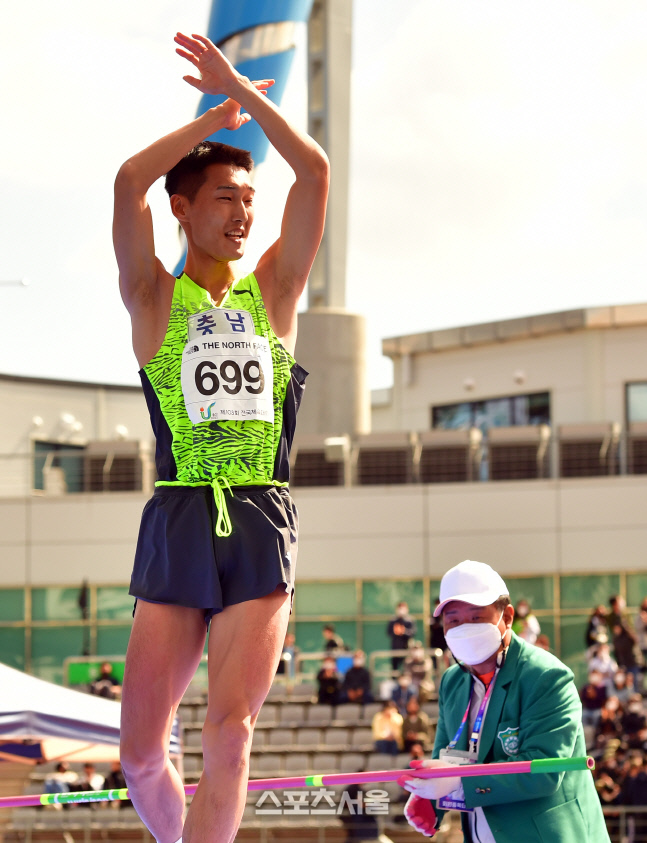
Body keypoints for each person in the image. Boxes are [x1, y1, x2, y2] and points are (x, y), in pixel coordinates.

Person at [113, 31, 329, 843]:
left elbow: (313, 173)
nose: (243, 214)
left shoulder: (272, 291)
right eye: (225, 199)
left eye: (249, 201)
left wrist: (248, 97)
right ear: (183, 208)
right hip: (177, 517)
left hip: (259, 516)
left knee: (227, 733)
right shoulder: (152, 300)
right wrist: (214, 117)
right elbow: (129, 180)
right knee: (139, 754)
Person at [399, 559, 609, 841]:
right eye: (453, 620)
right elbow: (446, 758)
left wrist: (460, 781)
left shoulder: (546, 676)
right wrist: (430, 799)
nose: (464, 628)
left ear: (507, 617)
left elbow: (543, 771)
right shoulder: (452, 681)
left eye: (476, 617)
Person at [387, 602, 417, 671]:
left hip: (406, 648)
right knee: (394, 668)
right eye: (399, 608)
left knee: (406, 668)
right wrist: (396, 632)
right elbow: (388, 632)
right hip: (395, 648)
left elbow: (413, 633)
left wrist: (404, 631)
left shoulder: (410, 620)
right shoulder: (393, 620)